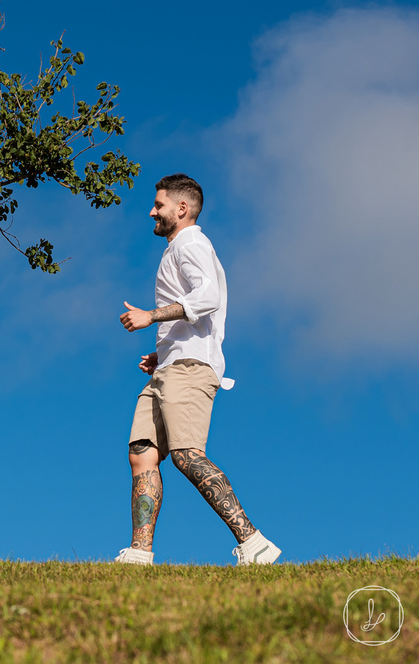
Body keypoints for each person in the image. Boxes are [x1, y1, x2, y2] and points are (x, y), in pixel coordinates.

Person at [114, 174, 280, 566]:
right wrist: (163, 351)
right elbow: (193, 309)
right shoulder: (177, 249)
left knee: (187, 454)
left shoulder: (191, 242)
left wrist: (151, 317)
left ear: (182, 209)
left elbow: (206, 297)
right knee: (143, 452)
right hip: (172, 365)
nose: (152, 211)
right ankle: (140, 553)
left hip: (190, 368)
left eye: (159, 204)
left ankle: (254, 542)